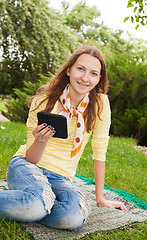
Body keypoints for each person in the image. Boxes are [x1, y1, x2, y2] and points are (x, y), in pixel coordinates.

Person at [0, 45, 127, 230]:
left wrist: (100, 199)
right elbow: (31, 158)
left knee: (74, 216)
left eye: (93, 73)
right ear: (69, 70)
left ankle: (25, 204)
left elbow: (100, 150)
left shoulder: (100, 103)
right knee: (37, 202)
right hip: (27, 166)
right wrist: (40, 141)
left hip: (60, 178)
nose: (85, 78)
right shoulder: (43, 101)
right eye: (80, 69)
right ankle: (32, 203)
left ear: (99, 78)